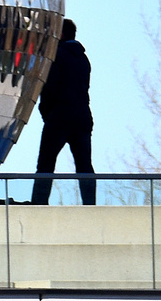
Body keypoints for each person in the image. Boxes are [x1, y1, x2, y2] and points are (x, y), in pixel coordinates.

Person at [31, 18, 94, 205]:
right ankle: (90, 205)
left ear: (61, 34)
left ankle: (39, 204)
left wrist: (47, 114)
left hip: (59, 117)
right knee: (84, 165)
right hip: (82, 117)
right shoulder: (83, 59)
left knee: (45, 164)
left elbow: (49, 88)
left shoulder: (56, 56)